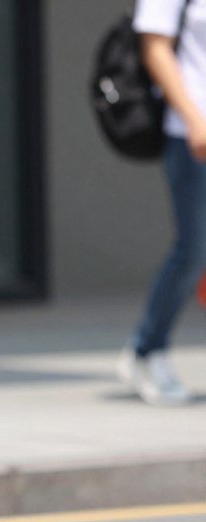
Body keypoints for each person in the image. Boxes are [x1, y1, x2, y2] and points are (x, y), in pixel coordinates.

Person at [119, 0, 206, 406]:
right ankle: (145, 350)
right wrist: (193, 118)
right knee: (193, 250)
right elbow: (155, 45)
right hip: (193, 136)